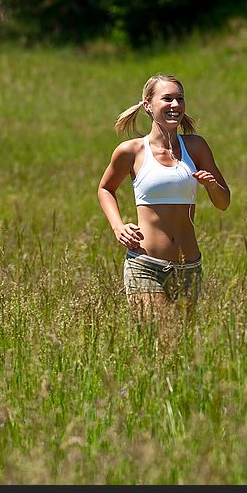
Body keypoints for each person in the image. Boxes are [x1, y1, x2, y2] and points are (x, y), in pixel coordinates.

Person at [97, 74, 230, 326]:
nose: (175, 105)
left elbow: (223, 202)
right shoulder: (131, 151)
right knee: (163, 340)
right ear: (148, 104)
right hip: (146, 265)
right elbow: (105, 189)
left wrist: (211, 186)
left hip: (189, 268)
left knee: (180, 348)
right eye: (167, 98)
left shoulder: (196, 147)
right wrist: (118, 226)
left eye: (180, 99)